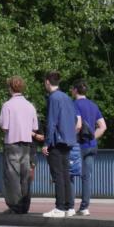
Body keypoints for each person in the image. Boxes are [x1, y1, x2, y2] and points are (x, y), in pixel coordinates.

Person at [0, 76, 39, 215]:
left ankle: (15, 206)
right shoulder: (30, 105)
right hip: (27, 144)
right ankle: (25, 205)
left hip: (12, 143)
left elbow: (4, 127)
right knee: (25, 176)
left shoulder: (7, 105)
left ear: (10, 88)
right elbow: (34, 127)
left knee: (12, 176)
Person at [41, 71, 78, 218]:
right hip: (69, 140)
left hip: (57, 140)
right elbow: (74, 119)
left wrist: (46, 143)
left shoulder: (53, 98)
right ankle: (70, 207)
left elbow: (51, 122)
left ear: (48, 82)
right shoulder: (67, 97)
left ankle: (60, 207)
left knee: (58, 175)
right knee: (66, 174)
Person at [71, 80, 106, 217]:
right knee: (86, 177)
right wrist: (92, 137)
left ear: (75, 90)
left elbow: (78, 125)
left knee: (71, 174)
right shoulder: (93, 105)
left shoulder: (74, 104)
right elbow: (103, 126)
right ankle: (84, 207)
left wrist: (70, 140)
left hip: (78, 145)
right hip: (91, 146)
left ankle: (70, 206)